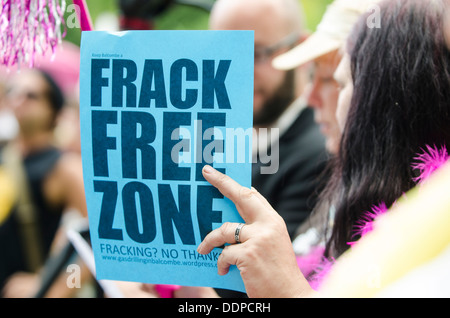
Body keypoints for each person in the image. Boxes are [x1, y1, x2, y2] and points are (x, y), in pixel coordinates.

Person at [196, 0, 450, 297]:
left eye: (336, 81)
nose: (311, 94)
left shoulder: (420, 219)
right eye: (222, 56)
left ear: (383, 97)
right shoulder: (360, 195)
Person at [209, 0, 329, 241]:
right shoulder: (217, 140)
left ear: (301, 50)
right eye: (224, 55)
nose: (236, 71)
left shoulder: (321, 154)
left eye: (256, 54)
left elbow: (273, 271)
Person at [0, 69, 87, 297]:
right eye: (13, 91)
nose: (19, 99)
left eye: (31, 95)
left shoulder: (64, 167)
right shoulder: (5, 156)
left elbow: (96, 241)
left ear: (53, 109)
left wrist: (55, 287)